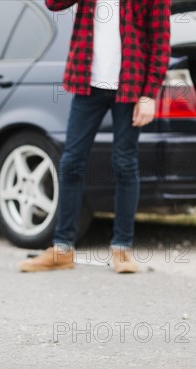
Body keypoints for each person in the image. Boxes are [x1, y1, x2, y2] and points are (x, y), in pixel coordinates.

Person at [19, 0, 171, 273]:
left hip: (130, 85)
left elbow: (160, 42)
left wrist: (149, 94)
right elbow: (53, 4)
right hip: (87, 83)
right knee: (71, 161)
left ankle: (122, 249)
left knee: (125, 163)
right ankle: (62, 249)